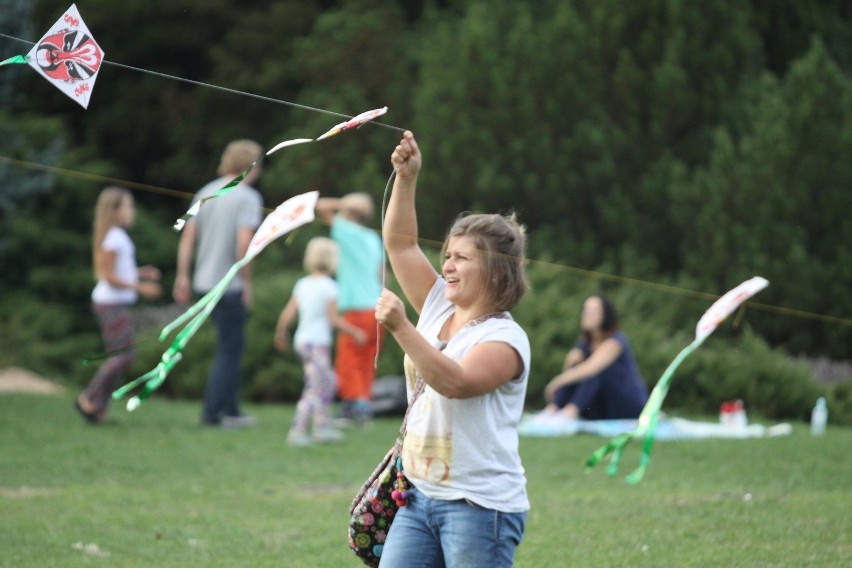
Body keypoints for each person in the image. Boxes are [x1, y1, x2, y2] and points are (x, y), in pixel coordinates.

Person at [374, 131, 531, 567]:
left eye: (462, 258)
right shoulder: (438, 303)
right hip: (417, 495)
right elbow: (401, 243)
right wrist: (406, 178)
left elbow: (457, 383)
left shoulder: (505, 339)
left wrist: (402, 328)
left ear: (496, 271)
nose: (448, 265)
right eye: (447, 255)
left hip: (479, 507)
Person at [173, 139, 264, 428]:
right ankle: (215, 413)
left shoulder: (206, 191)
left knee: (229, 345)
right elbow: (243, 246)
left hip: (202, 282)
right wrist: (247, 282)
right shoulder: (248, 196)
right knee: (230, 348)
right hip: (229, 284)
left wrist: (183, 276)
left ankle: (230, 409)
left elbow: (188, 238)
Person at [76, 187, 162, 424]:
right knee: (121, 355)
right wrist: (141, 288)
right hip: (110, 304)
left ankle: (97, 408)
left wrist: (140, 273)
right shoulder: (113, 238)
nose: (131, 211)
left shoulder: (117, 236)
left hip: (114, 303)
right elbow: (108, 276)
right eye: (128, 206)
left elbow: (120, 271)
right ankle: (88, 399)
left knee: (122, 355)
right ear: (114, 211)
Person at [273, 237, 366, 446]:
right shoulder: (330, 287)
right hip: (316, 344)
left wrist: (281, 333)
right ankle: (298, 431)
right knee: (315, 387)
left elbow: (288, 312)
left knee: (327, 382)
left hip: (302, 341)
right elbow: (333, 319)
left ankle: (322, 425)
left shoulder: (303, 284)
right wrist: (355, 332)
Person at [315, 192, 383, 426]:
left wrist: (344, 204)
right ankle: (360, 404)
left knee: (348, 360)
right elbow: (381, 273)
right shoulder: (373, 238)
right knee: (366, 361)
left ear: (351, 213)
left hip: (356, 308)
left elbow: (321, 206)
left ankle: (356, 408)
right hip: (376, 308)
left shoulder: (347, 231)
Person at [540, 295, 649, 420]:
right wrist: (570, 361)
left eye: (593, 311)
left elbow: (591, 369)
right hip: (602, 404)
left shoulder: (616, 340)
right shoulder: (585, 342)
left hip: (629, 404)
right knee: (579, 366)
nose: (587, 314)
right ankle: (552, 409)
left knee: (596, 371)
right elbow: (571, 373)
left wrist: (556, 382)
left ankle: (569, 413)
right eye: (585, 310)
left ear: (605, 315)